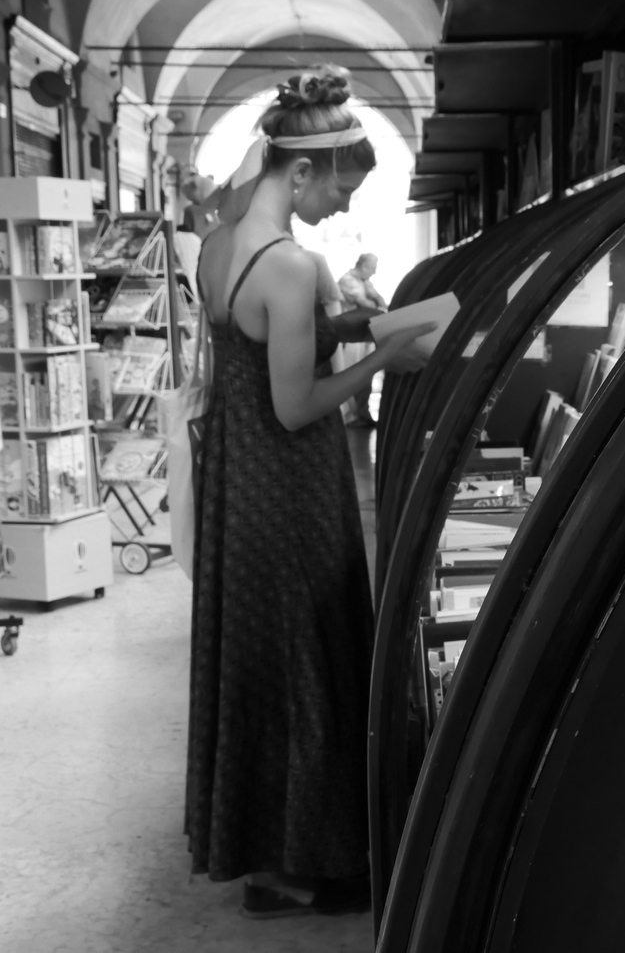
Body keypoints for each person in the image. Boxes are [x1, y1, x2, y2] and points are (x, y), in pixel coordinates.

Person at [187, 65, 434, 919]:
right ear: (300, 172)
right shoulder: (290, 263)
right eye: (337, 190)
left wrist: (354, 321)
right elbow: (295, 405)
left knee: (260, 657)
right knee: (311, 655)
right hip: (288, 483)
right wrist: (383, 359)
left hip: (236, 478)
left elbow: (258, 348)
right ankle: (322, 864)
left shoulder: (221, 242)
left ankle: (264, 863)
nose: (339, 209)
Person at [336, 253, 387, 426]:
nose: (374, 272)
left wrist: (377, 299)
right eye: (373, 268)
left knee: (367, 375)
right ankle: (352, 415)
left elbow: (381, 302)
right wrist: (376, 302)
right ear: (364, 266)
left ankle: (363, 414)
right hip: (350, 339)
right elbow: (368, 305)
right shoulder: (348, 280)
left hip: (364, 337)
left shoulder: (365, 283)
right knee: (352, 374)